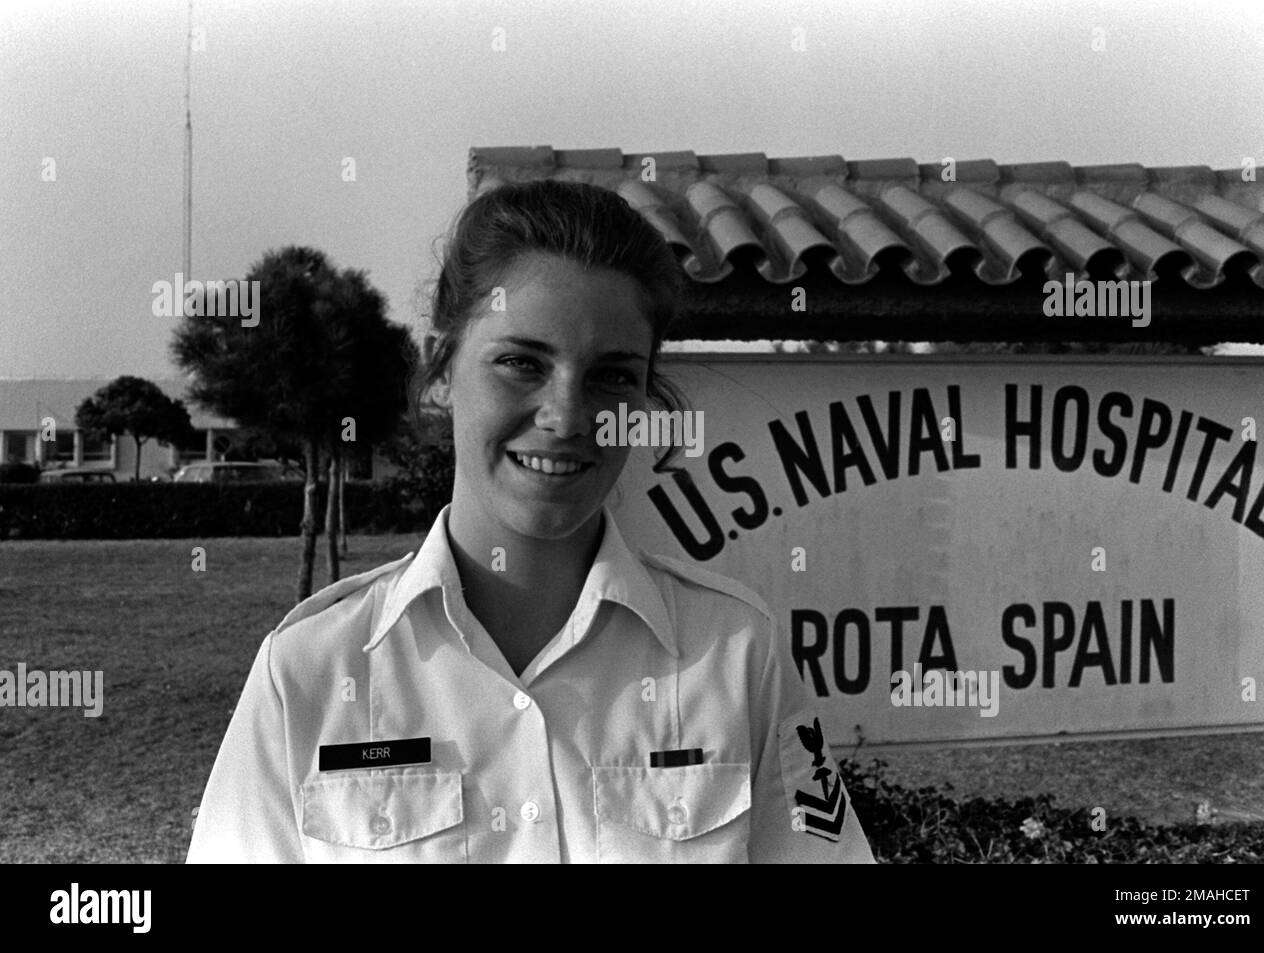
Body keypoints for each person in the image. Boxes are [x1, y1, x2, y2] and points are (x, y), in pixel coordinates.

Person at [187, 179, 876, 863]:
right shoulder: (308, 670)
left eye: (611, 376)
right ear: (444, 369)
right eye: (521, 362)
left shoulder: (735, 653)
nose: (566, 416)